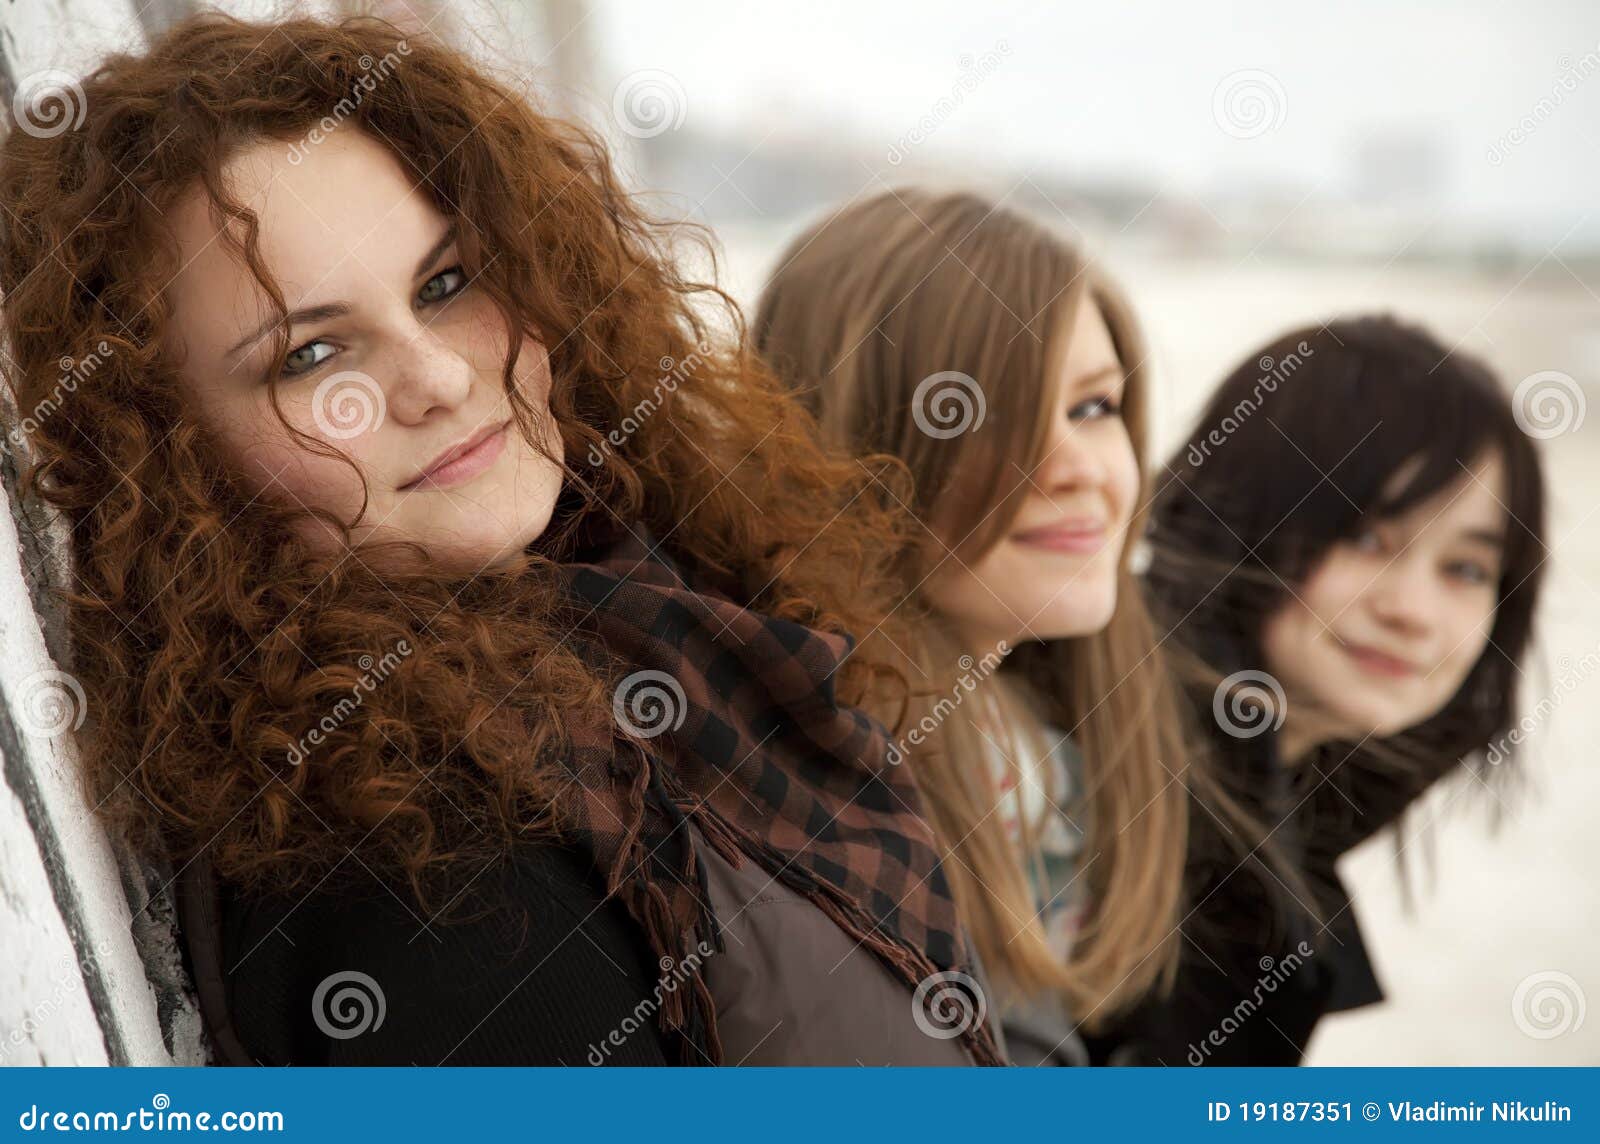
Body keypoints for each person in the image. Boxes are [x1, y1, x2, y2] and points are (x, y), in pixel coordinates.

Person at [0, 12, 1005, 1066]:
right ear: (164, 458)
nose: (435, 378)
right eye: (309, 355)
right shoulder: (439, 883)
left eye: (447, 284)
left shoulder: (639, 608)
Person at [754, 187, 1266, 1064]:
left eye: (1094, 408)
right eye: (992, 413)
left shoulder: (1050, 741)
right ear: (852, 440)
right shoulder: (808, 791)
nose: (1074, 468)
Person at [1083, 314, 1550, 1064]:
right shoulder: (1084, 759)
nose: (1413, 611)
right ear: (1243, 517)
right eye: (1368, 540)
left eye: (1465, 568)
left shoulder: (1287, 795)